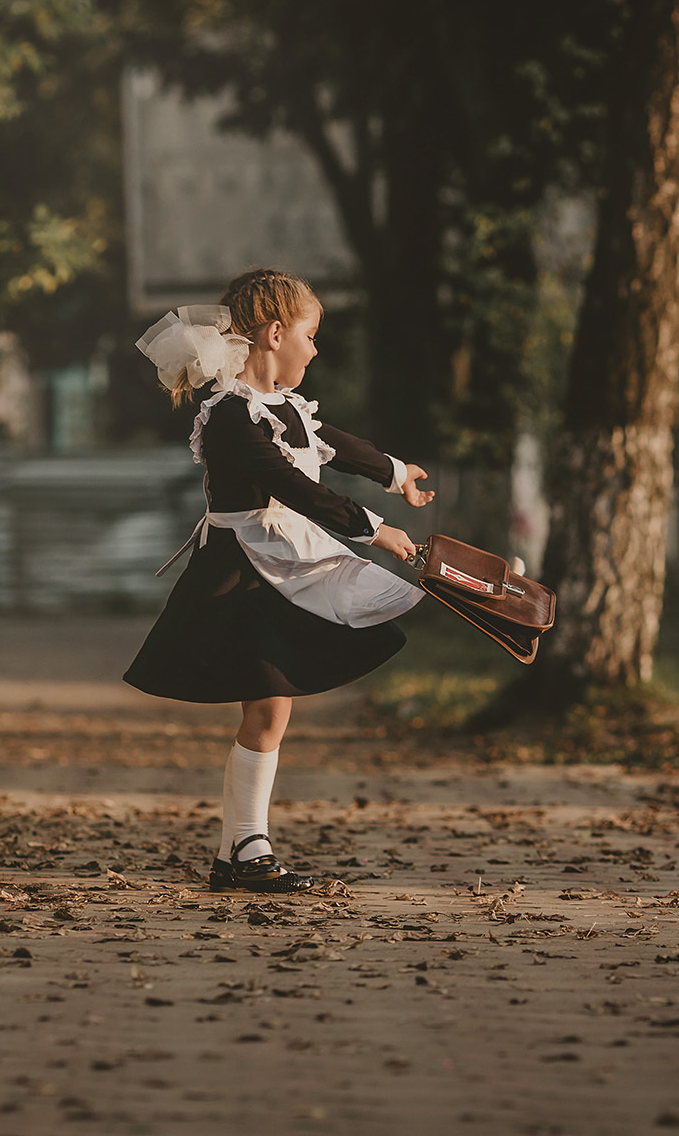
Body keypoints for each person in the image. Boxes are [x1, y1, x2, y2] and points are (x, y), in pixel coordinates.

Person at [125, 269, 432, 892]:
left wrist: (395, 471)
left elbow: (334, 444)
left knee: (272, 711)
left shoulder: (284, 408)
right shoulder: (229, 418)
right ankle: (248, 847)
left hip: (283, 567)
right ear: (274, 334)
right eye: (310, 336)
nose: (315, 350)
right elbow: (291, 485)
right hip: (240, 575)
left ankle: (236, 852)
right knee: (269, 708)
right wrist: (374, 529)